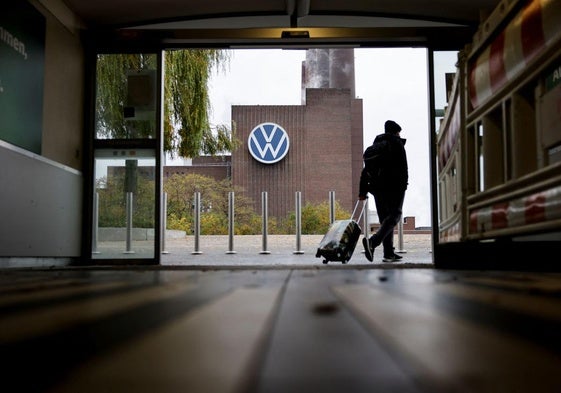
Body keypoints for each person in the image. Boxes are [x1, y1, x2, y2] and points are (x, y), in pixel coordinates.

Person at [358, 120, 408, 262]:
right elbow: (403, 168)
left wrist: (362, 191)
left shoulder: (376, 146)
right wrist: (403, 186)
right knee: (395, 215)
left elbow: (365, 170)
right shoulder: (396, 144)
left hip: (377, 189)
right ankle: (373, 242)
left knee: (385, 219)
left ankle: (388, 253)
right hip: (394, 187)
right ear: (396, 132)